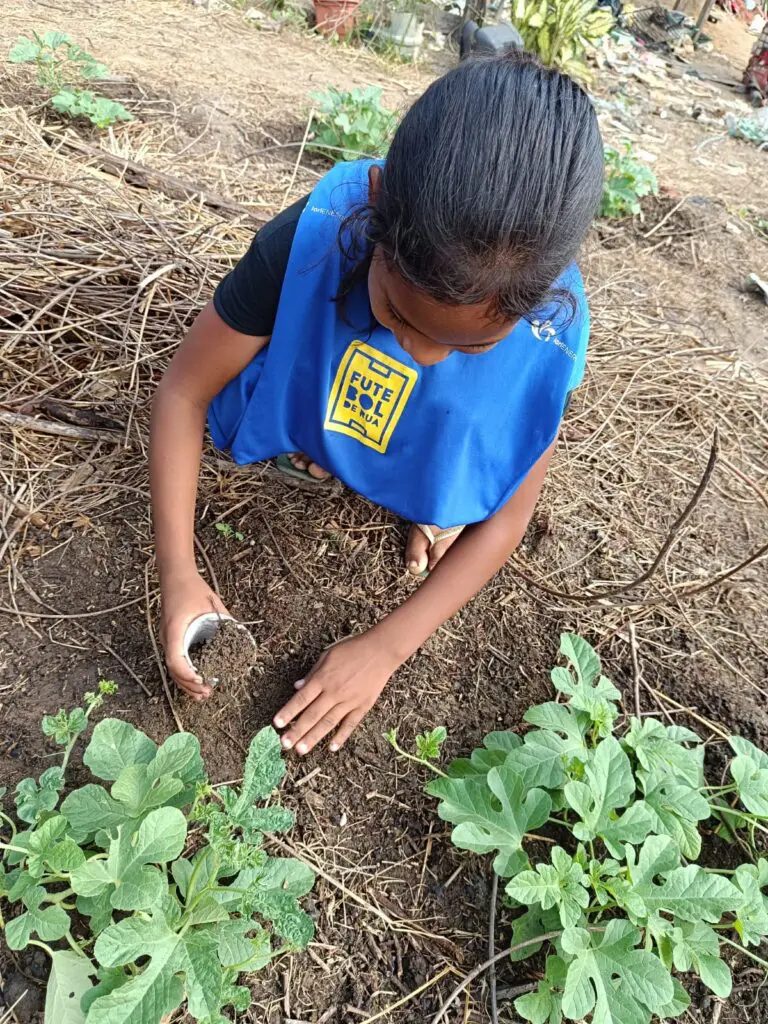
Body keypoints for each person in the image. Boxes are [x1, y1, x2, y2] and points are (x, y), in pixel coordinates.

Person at [149, 50, 604, 757]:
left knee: (469, 464)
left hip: (417, 435)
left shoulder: (549, 328)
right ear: (378, 203)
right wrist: (178, 571)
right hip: (322, 394)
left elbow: (509, 518)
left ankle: (423, 487)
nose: (421, 356)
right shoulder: (317, 233)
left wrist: (387, 648)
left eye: (467, 347)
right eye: (396, 313)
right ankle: (334, 443)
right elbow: (184, 389)